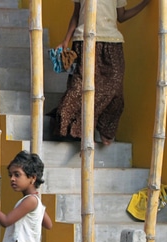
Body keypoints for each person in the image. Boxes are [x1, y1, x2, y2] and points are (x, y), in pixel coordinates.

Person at [49, 0, 151, 146]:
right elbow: (76, 14)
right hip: (84, 41)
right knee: (79, 86)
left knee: (115, 87)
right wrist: (66, 40)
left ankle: (105, 129)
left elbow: (121, 16)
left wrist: (144, 3)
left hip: (113, 42)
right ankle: (71, 127)